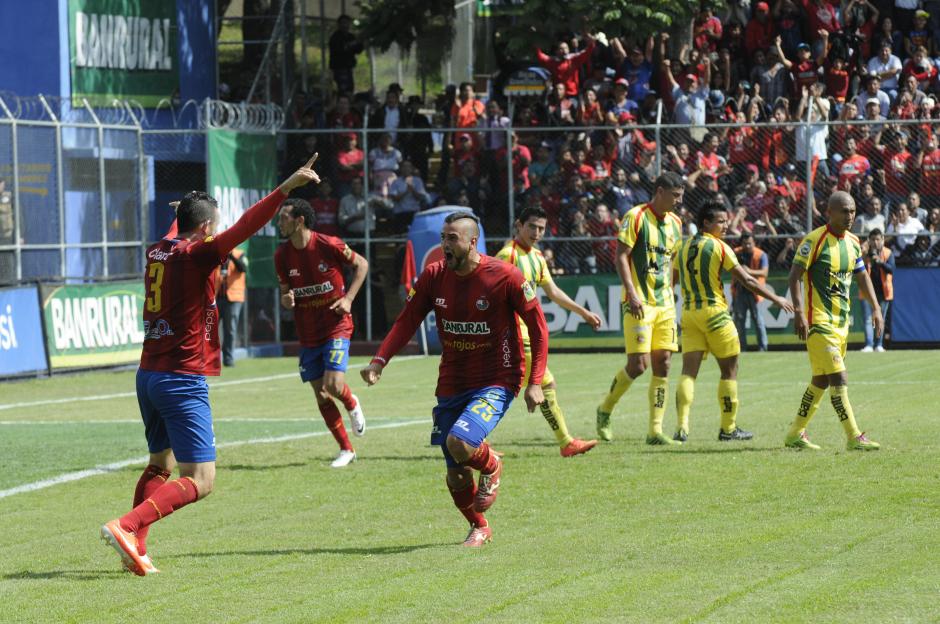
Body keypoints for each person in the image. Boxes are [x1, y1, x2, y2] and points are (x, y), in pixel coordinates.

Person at [100, 154, 322, 576]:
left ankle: (136, 547)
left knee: (159, 464)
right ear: (205, 229)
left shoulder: (159, 249)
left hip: (148, 374)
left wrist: (186, 209)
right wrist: (285, 189)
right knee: (201, 479)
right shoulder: (198, 253)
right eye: (213, 227)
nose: (219, 233)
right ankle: (126, 527)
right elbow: (246, 227)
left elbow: (179, 229)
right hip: (181, 377)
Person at [360, 211, 548, 547]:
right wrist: (379, 361)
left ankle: (491, 465)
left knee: (460, 442)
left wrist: (535, 381)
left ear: (472, 242)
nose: (444, 244)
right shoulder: (433, 276)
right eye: (443, 237)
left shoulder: (505, 276)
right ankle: (479, 526)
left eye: (452, 238)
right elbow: (407, 321)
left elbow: (538, 327)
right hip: (452, 382)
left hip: (498, 377)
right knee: (456, 471)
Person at [673, 202, 794, 442]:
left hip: (689, 314)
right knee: (730, 371)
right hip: (715, 314)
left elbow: (673, 281)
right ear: (706, 223)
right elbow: (748, 280)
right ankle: (728, 428)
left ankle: (681, 428)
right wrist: (776, 298)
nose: (726, 225)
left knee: (688, 372)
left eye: (727, 220)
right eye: (721, 221)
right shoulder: (719, 246)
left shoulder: (683, 246)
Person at [496, 205, 601, 457]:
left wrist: (583, 312)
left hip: (524, 334)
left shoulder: (537, 257)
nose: (537, 232)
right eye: (532, 226)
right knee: (542, 384)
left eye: (541, 228)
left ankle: (472, 440)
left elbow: (553, 292)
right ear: (518, 226)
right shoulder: (507, 256)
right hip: (515, 335)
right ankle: (566, 442)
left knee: (503, 388)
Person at [783, 191, 883, 451]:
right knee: (839, 378)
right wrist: (798, 312)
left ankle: (795, 433)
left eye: (852, 211)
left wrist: (876, 308)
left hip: (841, 324)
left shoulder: (852, 242)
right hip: (819, 322)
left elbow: (862, 277)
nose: (849, 216)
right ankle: (854, 437)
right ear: (830, 212)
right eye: (844, 211)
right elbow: (794, 277)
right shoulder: (814, 240)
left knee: (821, 380)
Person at [275, 197, 369, 468]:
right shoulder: (281, 256)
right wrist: (286, 299)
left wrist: (349, 298)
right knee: (322, 394)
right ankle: (346, 449)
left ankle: (352, 403)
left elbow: (361, 265)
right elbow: (284, 291)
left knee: (334, 385)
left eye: (284, 218)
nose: (279, 223)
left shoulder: (329, 244)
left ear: (299, 220)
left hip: (336, 325)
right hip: (308, 333)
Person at [596, 172, 684, 445]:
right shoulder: (634, 217)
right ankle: (605, 409)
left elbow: (674, 262)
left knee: (664, 363)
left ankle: (655, 430)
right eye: (675, 196)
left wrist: (671, 290)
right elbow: (620, 256)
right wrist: (632, 293)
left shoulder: (677, 223)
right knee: (637, 365)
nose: (679, 202)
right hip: (639, 302)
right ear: (660, 192)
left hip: (665, 304)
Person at [732, 233, 771, 352]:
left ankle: (762, 348)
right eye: (745, 243)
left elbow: (764, 273)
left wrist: (748, 272)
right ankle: (742, 348)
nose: (747, 245)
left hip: (755, 292)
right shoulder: (736, 252)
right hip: (739, 291)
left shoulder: (761, 254)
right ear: (741, 243)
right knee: (739, 322)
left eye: (750, 243)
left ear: (754, 243)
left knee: (758, 320)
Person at [860, 228, 894, 352]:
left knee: (881, 319)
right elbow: (856, 268)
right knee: (868, 319)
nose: (875, 242)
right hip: (867, 292)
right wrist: (864, 254)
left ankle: (879, 344)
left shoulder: (888, 253)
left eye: (878, 239)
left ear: (882, 240)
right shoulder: (865, 253)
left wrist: (880, 262)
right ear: (869, 241)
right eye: (873, 239)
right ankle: (869, 344)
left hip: (883, 292)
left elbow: (892, 269)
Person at [217, 248, 247, 367]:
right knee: (210, 329)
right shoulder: (218, 254)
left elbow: (243, 268)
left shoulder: (240, 254)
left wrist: (231, 257)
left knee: (230, 330)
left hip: (233, 298)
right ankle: (209, 359)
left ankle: (228, 359)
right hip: (217, 297)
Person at [328, 15, 364, 95]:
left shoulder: (351, 36)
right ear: (339, 24)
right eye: (343, 23)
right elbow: (341, 49)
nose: (345, 25)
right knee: (343, 91)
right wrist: (353, 43)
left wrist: (360, 41)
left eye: (347, 23)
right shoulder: (335, 37)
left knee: (349, 89)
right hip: (339, 68)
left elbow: (358, 50)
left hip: (349, 68)